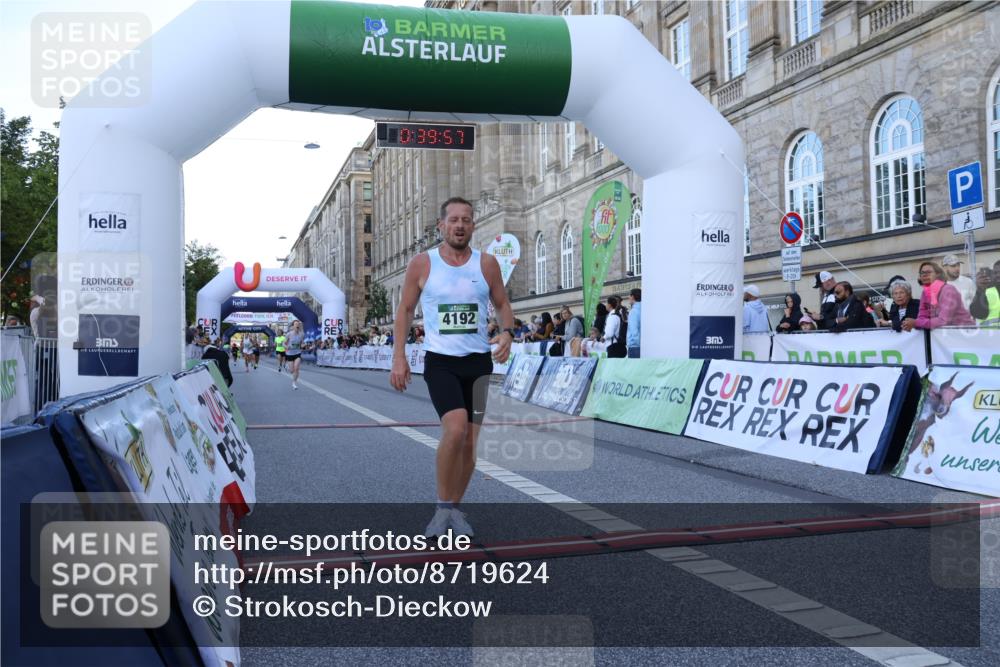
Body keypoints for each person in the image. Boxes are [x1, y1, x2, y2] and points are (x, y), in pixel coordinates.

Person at [390, 196, 514, 539]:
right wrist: (399, 356)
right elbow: (404, 311)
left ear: (473, 226)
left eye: (467, 220)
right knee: (456, 429)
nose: (460, 225)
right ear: (441, 226)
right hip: (440, 361)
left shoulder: (487, 264)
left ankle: (454, 510)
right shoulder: (422, 263)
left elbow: (503, 305)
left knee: (471, 442)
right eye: (454, 220)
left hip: (477, 362)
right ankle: (442, 508)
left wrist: (507, 332)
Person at [914, 261, 975, 329]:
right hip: (943, 335)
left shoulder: (948, 290)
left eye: (928, 272)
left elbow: (943, 321)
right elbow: (922, 316)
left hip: (964, 333)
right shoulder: (925, 292)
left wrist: (917, 323)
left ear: (938, 274)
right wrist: (918, 323)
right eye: (922, 272)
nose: (924, 275)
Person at [969, 260, 1000, 327]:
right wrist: (980, 290)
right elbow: (978, 314)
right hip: (988, 335)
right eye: (995, 272)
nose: (998, 275)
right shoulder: (987, 292)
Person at [285, 320, 305, 389]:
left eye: (298, 324)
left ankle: (294, 383)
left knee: (296, 368)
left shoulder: (301, 334)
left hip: (297, 353)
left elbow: (302, 342)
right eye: (296, 324)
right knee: (291, 371)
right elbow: (283, 343)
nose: (297, 325)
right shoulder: (289, 334)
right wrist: (286, 347)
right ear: (293, 326)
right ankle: (287, 366)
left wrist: (302, 345)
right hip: (290, 353)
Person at [626, 289, 641, 357]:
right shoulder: (645, 309)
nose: (628, 297)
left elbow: (634, 331)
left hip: (635, 347)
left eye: (629, 295)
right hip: (644, 346)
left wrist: (638, 344)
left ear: (633, 296)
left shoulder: (633, 311)